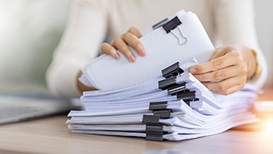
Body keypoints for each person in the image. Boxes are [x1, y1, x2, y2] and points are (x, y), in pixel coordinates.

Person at [46, 0, 268, 97]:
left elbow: (259, 70)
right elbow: (58, 74)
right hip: (128, 126)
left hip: (199, 124)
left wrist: (245, 60)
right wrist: (105, 75)